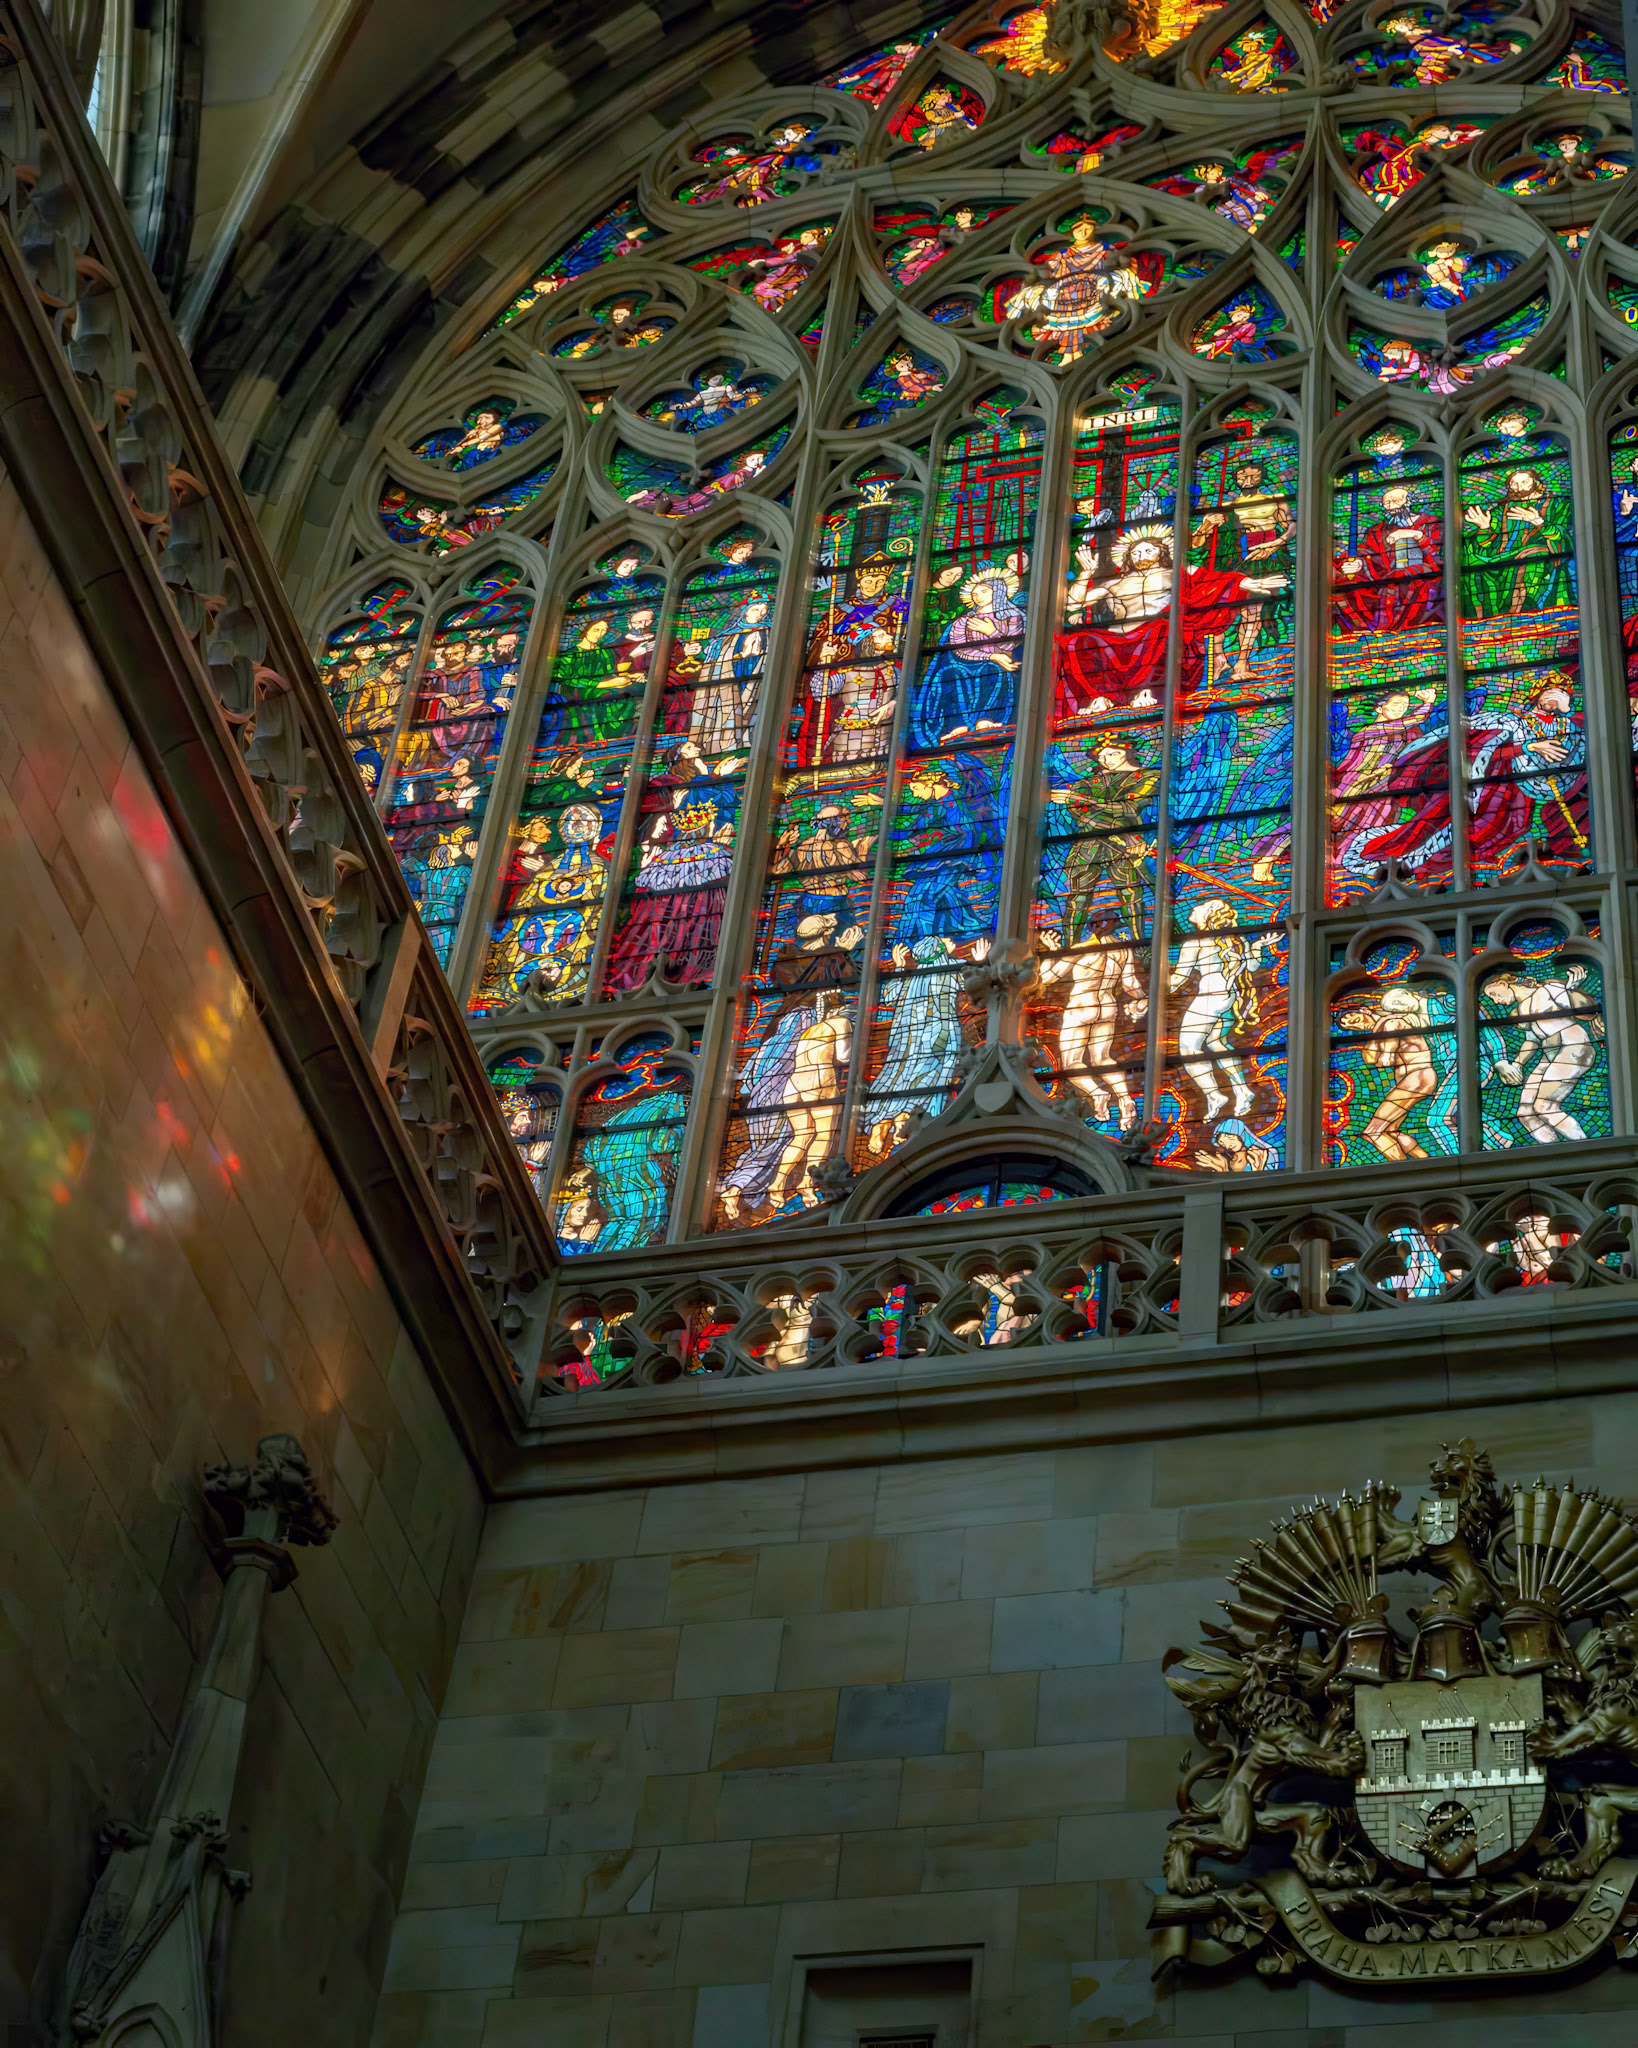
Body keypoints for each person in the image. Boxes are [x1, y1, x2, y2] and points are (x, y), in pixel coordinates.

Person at [1168, 899, 1275, 1124]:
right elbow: (1253, 966)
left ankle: (1214, 1095)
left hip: (1209, 997)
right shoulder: (1237, 938)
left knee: (1188, 1047)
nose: (1193, 908)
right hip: (1229, 996)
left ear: (1208, 914)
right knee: (1217, 1043)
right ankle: (1242, 1090)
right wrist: (1257, 947)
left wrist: (1151, 995)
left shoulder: (1196, 942)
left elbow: (1179, 978)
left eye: (1198, 907)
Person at [796, 552, 908, 763]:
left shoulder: (898, 608)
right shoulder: (837, 612)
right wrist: (824, 655)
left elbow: (910, 639)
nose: (874, 585)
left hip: (885, 675)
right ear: (859, 580)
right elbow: (818, 644)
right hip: (844, 680)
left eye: (880, 581)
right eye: (869, 580)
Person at [1036, 928, 1148, 1133]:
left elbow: (1048, 977)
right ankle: (1125, 1099)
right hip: (1107, 1006)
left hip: (1082, 1006)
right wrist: (1141, 999)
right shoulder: (1123, 950)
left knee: (1071, 1064)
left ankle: (1098, 1094)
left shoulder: (1082, 948)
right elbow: (1130, 983)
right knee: (1103, 1059)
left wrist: (1052, 951)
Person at [863, 937, 966, 1153]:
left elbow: (889, 997)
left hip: (905, 1043)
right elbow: (969, 983)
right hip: (938, 1040)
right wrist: (980, 960)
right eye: (944, 940)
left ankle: (883, 1125)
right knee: (926, 1080)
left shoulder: (912, 977)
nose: (950, 939)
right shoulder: (948, 970)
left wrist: (900, 966)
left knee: (898, 1078)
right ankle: (904, 1123)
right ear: (938, 950)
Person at [1335, 981, 1458, 1159]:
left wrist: (1383, 1047)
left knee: (1373, 1132)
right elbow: (1369, 1059)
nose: (1356, 1025)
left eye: (1355, 1019)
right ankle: (1425, 1162)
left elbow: (1385, 1060)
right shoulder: (1382, 1026)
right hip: (1412, 1080)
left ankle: (1411, 1175)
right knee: (1391, 1131)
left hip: (1417, 1076)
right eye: (1350, 1027)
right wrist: (1376, 1030)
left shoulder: (1394, 1021)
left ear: (1365, 1010)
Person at [1482, 964, 1603, 1143]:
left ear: (1504, 983)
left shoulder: (1550, 989)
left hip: (1573, 1046)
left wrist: (1572, 989)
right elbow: (1531, 1041)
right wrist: (1518, 1064)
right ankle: (1557, 1155)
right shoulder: (1522, 1010)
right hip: (1549, 1054)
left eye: (1493, 993)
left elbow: (1589, 1011)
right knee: (1525, 1112)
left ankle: (1587, 1150)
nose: (1495, 1000)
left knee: (1545, 1106)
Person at [910, 563, 1026, 746]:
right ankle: (958, 724)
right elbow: (957, 647)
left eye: (984, 592)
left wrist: (992, 632)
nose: (978, 597)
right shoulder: (963, 621)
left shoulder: (1013, 617)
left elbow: (1013, 643)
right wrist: (991, 655)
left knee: (992, 670)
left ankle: (985, 720)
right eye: (975, 594)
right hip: (964, 662)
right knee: (949, 674)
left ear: (998, 591)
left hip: (997, 665)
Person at [1006, 221, 1145, 363]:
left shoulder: (1103, 249)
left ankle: (1074, 349)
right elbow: (1048, 272)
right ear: (1072, 232)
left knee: (1123, 279)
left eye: (1087, 229)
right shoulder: (1062, 255)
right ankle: (1070, 351)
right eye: (1079, 229)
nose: (1083, 232)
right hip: (1066, 289)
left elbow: (1116, 261)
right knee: (1034, 296)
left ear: (1093, 230)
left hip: (1095, 285)